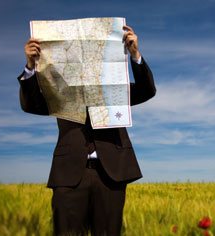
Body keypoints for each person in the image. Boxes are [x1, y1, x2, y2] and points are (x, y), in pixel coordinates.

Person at [18, 25, 156, 235]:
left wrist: (134, 54)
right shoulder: (59, 90)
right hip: (69, 174)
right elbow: (31, 105)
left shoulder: (115, 88)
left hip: (111, 173)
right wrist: (30, 66)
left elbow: (147, 90)